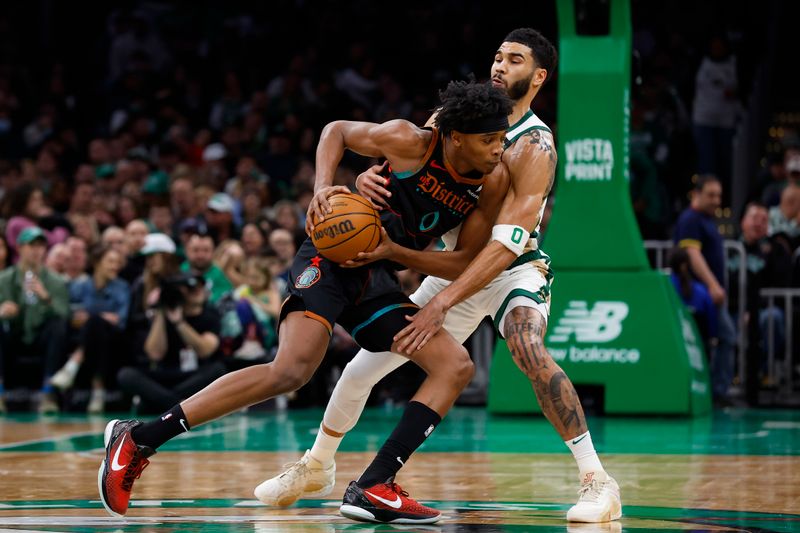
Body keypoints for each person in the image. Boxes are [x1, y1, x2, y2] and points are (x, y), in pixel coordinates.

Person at [97, 79, 511, 520]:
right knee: (291, 370)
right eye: (488, 139)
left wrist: (395, 253)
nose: (497, 149)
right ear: (455, 137)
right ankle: (140, 438)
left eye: (501, 139)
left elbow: (464, 260)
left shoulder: (493, 180)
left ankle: (374, 484)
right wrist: (320, 188)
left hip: (376, 273)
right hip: (329, 258)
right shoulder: (408, 140)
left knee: (455, 365)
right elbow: (335, 130)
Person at [257, 28, 621, 525]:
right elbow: (408, 166)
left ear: (538, 77)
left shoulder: (535, 147)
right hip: (455, 266)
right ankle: (316, 464)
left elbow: (504, 243)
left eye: (514, 60)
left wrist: (443, 301)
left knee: (525, 345)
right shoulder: (458, 119)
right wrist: (368, 180)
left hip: (511, 268)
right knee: (363, 369)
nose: (499, 66)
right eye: (496, 56)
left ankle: (598, 481)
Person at [116, 273, 227, 413]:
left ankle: (159, 402)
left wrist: (179, 323)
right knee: (126, 375)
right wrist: (162, 313)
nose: (198, 291)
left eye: (200, 287)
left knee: (218, 369)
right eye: (191, 288)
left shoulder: (210, 314)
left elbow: (205, 350)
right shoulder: (164, 313)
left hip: (193, 375)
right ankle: (179, 405)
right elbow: (155, 354)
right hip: (166, 374)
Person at [674, 175, 737, 405]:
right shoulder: (692, 219)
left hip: (707, 295)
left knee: (714, 340)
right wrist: (713, 286)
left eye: (718, 195)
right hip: (699, 295)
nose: (716, 200)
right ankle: (717, 391)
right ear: (697, 194)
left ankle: (712, 390)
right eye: (711, 195)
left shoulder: (707, 220)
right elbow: (693, 254)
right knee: (726, 336)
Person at [49, 245, 130, 413]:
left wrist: (95, 317)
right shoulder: (80, 286)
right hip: (87, 338)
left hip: (115, 340)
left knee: (95, 321)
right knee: (92, 326)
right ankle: (97, 391)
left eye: (117, 262)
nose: (115, 266)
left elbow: (120, 320)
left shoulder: (122, 287)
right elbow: (72, 316)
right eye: (110, 261)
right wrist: (96, 317)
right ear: (97, 263)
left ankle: (73, 364)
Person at [0, 227, 69, 414]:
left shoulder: (55, 280)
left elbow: (65, 314)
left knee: (58, 325)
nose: (36, 250)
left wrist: (46, 298)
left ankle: (48, 393)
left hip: (41, 338)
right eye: (32, 245)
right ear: (20, 248)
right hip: (14, 335)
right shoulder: (4, 279)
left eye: (41, 246)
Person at [181, 233, 234, 304]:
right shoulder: (178, 272)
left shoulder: (220, 275)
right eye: (195, 250)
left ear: (213, 252)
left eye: (206, 250)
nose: (201, 255)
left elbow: (226, 297)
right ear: (186, 251)